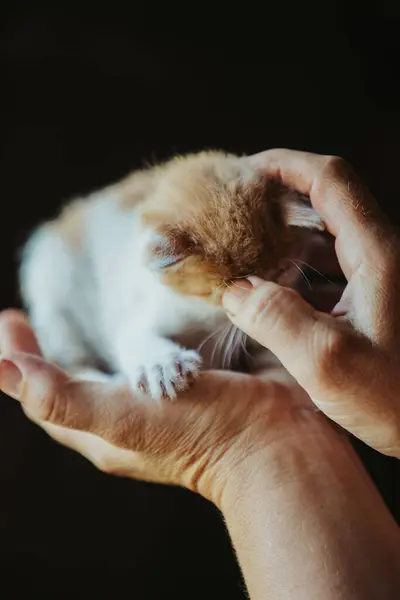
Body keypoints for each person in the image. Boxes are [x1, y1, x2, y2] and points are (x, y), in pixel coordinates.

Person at [0, 149, 399, 599]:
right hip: (94, 295)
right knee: (46, 253)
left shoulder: (277, 220)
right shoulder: (160, 260)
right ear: (168, 261)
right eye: (242, 284)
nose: (267, 297)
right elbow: (134, 338)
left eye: (282, 274)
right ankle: (73, 356)